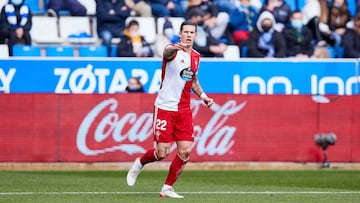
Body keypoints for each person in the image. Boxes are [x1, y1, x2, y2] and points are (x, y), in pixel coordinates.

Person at [126, 20, 214, 199]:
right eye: (186, 32)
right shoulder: (172, 51)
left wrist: (204, 97)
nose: (189, 35)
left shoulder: (196, 57)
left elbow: (193, 81)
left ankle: (167, 187)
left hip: (183, 110)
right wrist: (175, 48)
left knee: (186, 151)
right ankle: (139, 163)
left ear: (196, 35)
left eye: (192, 32)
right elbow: (166, 53)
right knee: (162, 153)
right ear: (180, 34)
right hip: (165, 108)